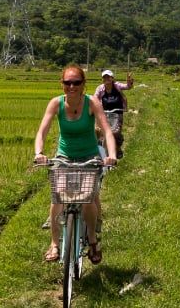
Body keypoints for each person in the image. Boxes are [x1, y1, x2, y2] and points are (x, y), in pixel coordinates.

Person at [34, 65, 118, 264]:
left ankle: (92, 241)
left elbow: (106, 130)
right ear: (61, 84)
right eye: (67, 82)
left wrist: (111, 155)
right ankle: (54, 244)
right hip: (64, 157)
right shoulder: (56, 103)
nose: (71, 86)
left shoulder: (92, 103)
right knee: (57, 200)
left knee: (88, 199)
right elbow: (42, 131)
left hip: (89, 156)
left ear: (83, 84)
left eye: (76, 83)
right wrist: (39, 153)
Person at [94, 69, 133, 159]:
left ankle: (118, 147)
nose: (106, 79)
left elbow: (127, 87)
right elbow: (95, 99)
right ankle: (100, 152)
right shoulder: (100, 88)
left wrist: (129, 83)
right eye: (104, 77)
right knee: (99, 132)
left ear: (112, 78)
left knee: (116, 132)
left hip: (117, 112)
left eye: (108, 77)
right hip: (104, 113)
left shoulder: (117, 86)